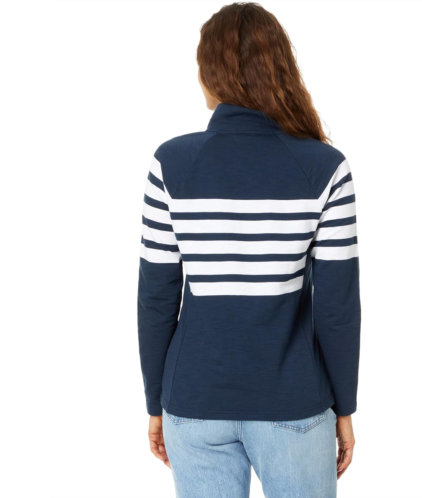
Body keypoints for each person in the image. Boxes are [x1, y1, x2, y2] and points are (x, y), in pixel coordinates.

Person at [138, 3, 361, 497]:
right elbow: (337, 308)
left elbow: (156, 299)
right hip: (294, 404)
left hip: (193, 402)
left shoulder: (170, 164)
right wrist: (344, 408)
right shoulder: (325, 167)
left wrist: (156, 403)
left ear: (209, 72)